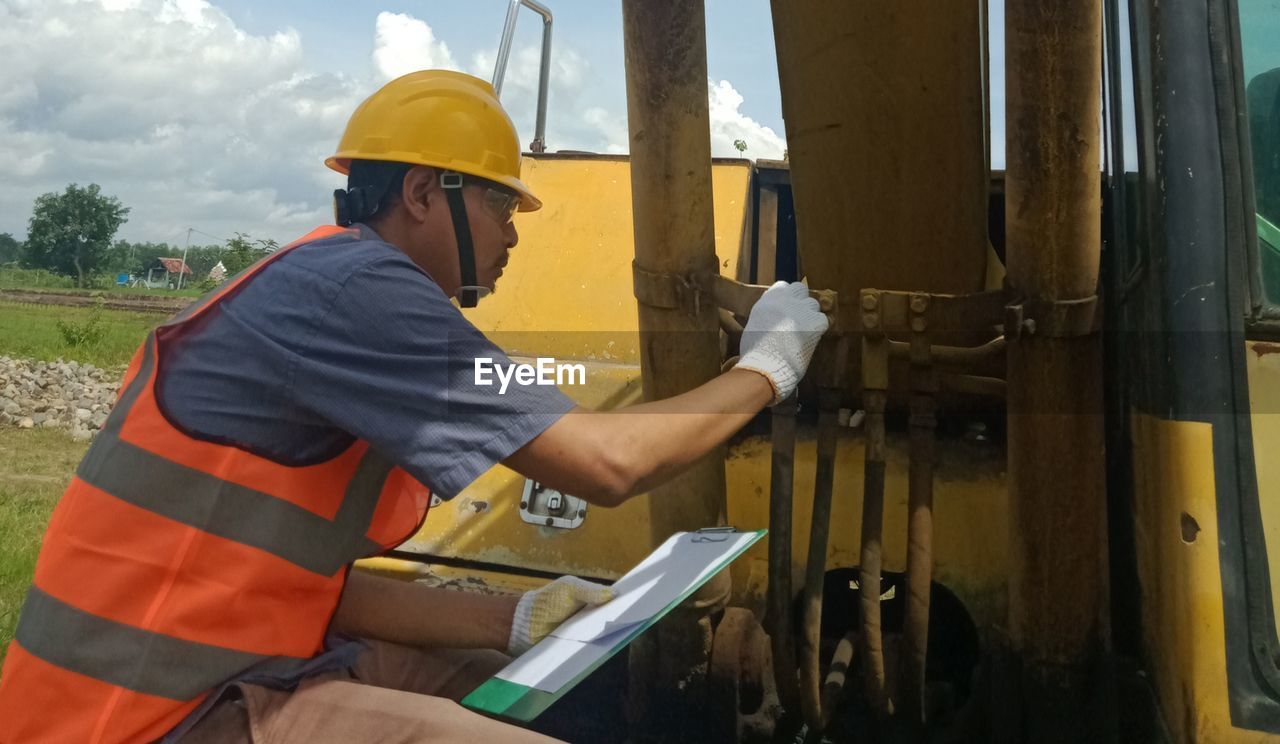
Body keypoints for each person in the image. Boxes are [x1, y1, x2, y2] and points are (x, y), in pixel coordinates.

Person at [0, 70, 829, 743]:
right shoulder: (361, 299)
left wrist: (517, 616)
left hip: (217, 668)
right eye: (502, 207)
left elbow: (305, 584)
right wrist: (771, 365)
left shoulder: (331, 284)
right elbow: (604, 462)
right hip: (142, 717)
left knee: (530, 694)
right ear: (426, 193)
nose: (513, 235)